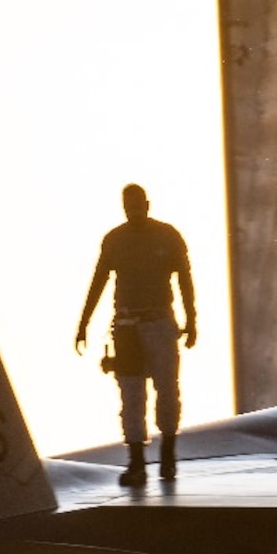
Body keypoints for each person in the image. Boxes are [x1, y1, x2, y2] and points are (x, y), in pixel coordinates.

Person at [75, 182, 197, 486]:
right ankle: (137, 465)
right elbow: (99, 280)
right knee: (131, 394)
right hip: (127, 326)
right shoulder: (114, 240)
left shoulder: (168, 236)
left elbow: (185, 278)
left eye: (138, 205)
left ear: (147, 204)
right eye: (129, 207)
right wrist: (83, 323)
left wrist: (192, 320)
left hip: (160, 322)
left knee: (167, 389)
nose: (134, 212)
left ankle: (167, 459)